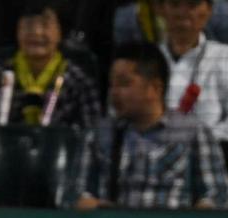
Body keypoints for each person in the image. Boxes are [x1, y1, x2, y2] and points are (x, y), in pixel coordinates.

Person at [71, 42, 228, 209]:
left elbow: (216, 194)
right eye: (112, 84)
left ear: (155, 88)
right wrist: (93, 205)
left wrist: (197, 215)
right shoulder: (98, 134)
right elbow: (76, 194)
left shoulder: (193, 132)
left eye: (124, 83)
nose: (114, 92)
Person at [0, 0, 101, 128]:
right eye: (28, 25)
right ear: (17, 30)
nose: (36, 32)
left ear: (60, 31)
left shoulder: (77, 80)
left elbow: (91, 135)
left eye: (45, 24)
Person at [157, 0, 228, 144]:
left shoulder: (223, 56)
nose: (183, 13)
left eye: (192, 4)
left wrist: (202, 141)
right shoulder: (146, 58)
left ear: (209, 10)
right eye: (175, 5)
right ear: (160, 9)